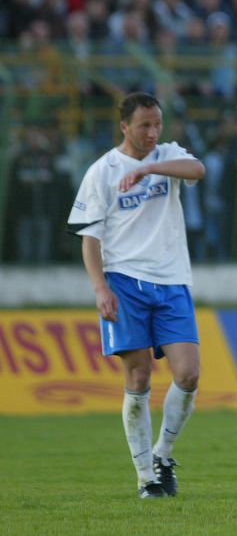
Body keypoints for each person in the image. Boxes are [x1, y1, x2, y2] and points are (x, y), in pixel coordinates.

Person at [66, 93, 206, 499]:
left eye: (157, 124)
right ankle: (146, 477)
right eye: (144, 125)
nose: (152, 132)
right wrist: (100, 289)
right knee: (139, 377)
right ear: (124, 126)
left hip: (172, 280)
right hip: (125, 282)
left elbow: (197, 169)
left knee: (189, 373)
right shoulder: (102, 172)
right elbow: (90, 239)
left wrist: (152, 169)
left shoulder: (167, 155)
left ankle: (163, 455)